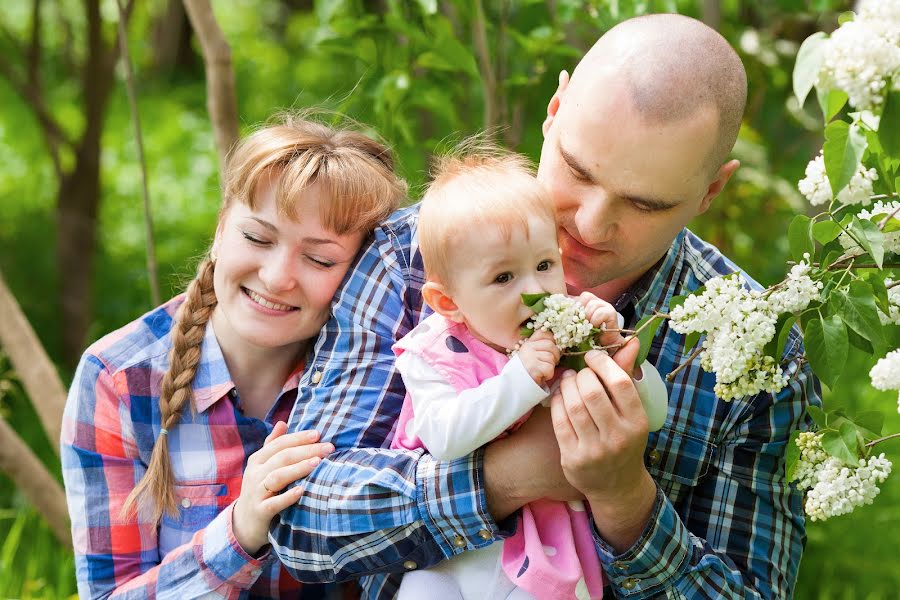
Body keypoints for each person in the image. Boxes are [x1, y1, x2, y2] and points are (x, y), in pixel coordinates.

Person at [269, 13, 820, 600]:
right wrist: (505, 479)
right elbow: (302, 522)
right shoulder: (412, 259)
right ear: (553, 113)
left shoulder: (756, 348)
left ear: (710, 192)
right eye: (578, 172)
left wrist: (625, 500)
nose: (589, 224)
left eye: (644, 204)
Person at [60, 114, 407, 599]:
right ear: (222, 227)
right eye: (258, 238)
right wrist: (242, 531)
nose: (278, 276)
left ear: (360, 274)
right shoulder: (120, 379)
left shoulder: (385, 377)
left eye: (320, 259)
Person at [389, 150, 669, 600]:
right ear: (448, 302)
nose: (535, 290)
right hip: (453, 557)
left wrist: (619, 355)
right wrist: (521, 379)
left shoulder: (572, 337)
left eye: (543, 266)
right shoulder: (435, 352)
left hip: (549, 553)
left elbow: (654, 415)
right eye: (503, 277)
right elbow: (445, 438)